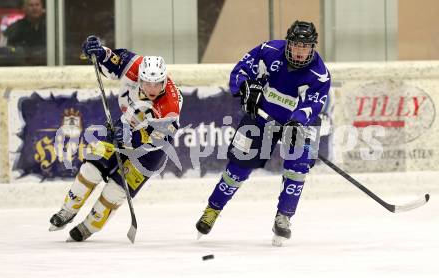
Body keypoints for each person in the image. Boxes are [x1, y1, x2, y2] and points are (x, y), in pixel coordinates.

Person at [195, 20, 331, 246]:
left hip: (295, 124)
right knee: (238, 167)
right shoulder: (268, 51)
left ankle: (284, 217)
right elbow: (240, 71)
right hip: (261, 117)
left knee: (298, 165)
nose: (299, 51)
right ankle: (213, 209)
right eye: (296, 45)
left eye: (305, 47)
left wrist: (297, 122)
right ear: (288, 43)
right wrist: (245, 87)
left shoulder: (319, 75)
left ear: (312, 48)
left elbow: (312, 105)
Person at [49, 35, 183, 242]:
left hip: (149, 154)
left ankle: (89, 227)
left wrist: (132, 138)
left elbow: (157, 141)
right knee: (91, 168)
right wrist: (97, 51)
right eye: (147, 83)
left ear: (165, 79)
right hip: (123, 126)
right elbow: (111, 59)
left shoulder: (170, 106)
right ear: (140, 77)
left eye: (157, 84)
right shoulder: (134, 65)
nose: (152, 89)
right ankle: (67, 211)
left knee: (114, 191)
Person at [3, 0, 46, 65]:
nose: (35, 8)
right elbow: (4, 49)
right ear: (24, 9)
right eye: (31, 5)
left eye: (37, 5)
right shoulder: (15, 28)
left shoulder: (51, 27)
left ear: (42, 8)